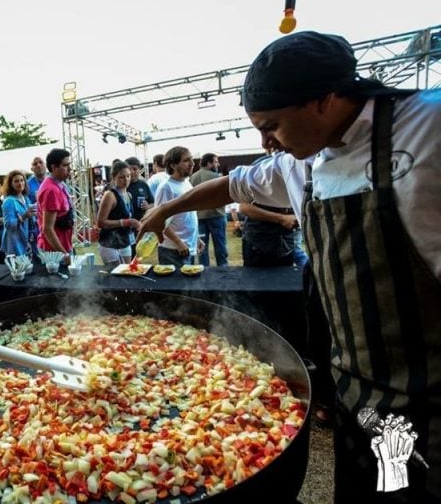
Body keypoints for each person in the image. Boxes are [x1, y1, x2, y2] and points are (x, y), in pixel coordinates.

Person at [138, 32, 441, 503]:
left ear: (325, 99)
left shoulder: (428, 124)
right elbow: (231, 187)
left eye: (272, 125)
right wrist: (166, 210)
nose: (265, 141)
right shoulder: (297, 160)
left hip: (431, 398)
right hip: (355, 388)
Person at [153, 146, 202, 266]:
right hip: (172, 250)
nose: (192, 163)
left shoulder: (187, 183)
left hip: (188, 245)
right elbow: (158, 220)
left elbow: (189, 215)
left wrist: (197, 238)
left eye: (191, 159)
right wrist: (178, 242)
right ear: (173, 165)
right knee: (177, 284)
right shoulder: (166, 187)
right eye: (186, 160)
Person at [96, 160, 139, 265]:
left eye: (128, 176)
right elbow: (100, 222)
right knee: (116, 278)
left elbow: (128, 217)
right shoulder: (110, 195)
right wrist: (124, 222)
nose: (126, 180)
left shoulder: (128, 194)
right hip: (109, 244)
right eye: (121, 177)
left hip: (125, 241)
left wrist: (135, 224)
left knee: (127, 274)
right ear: (114, 177)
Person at [189, 152, 228, 267]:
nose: (218, 164)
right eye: (216, 162)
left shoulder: (192, 177)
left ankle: (204, 271)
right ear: (209, 163)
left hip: (199, 217)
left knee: (202, 248)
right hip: (216, 215)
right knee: (220, 246)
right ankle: (223, 270)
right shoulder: (217, 177)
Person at [37, 148, 74, 259]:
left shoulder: (59, 184)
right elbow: (47, 229)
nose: (70, 168)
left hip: (61, 247)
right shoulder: (51, 190)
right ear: (54, 167)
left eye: (69, 164)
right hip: (54, 252)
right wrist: (64, 254)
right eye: (65, 165)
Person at [1, 170, 36, 257]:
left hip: (26, 240)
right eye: (16, 181)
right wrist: (24, 216)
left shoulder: (26, 199)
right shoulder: (9, 201)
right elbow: (8, 224)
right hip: (15, 242)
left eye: (21, 180)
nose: (20, 183)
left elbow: (31, 220)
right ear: (11, 184)